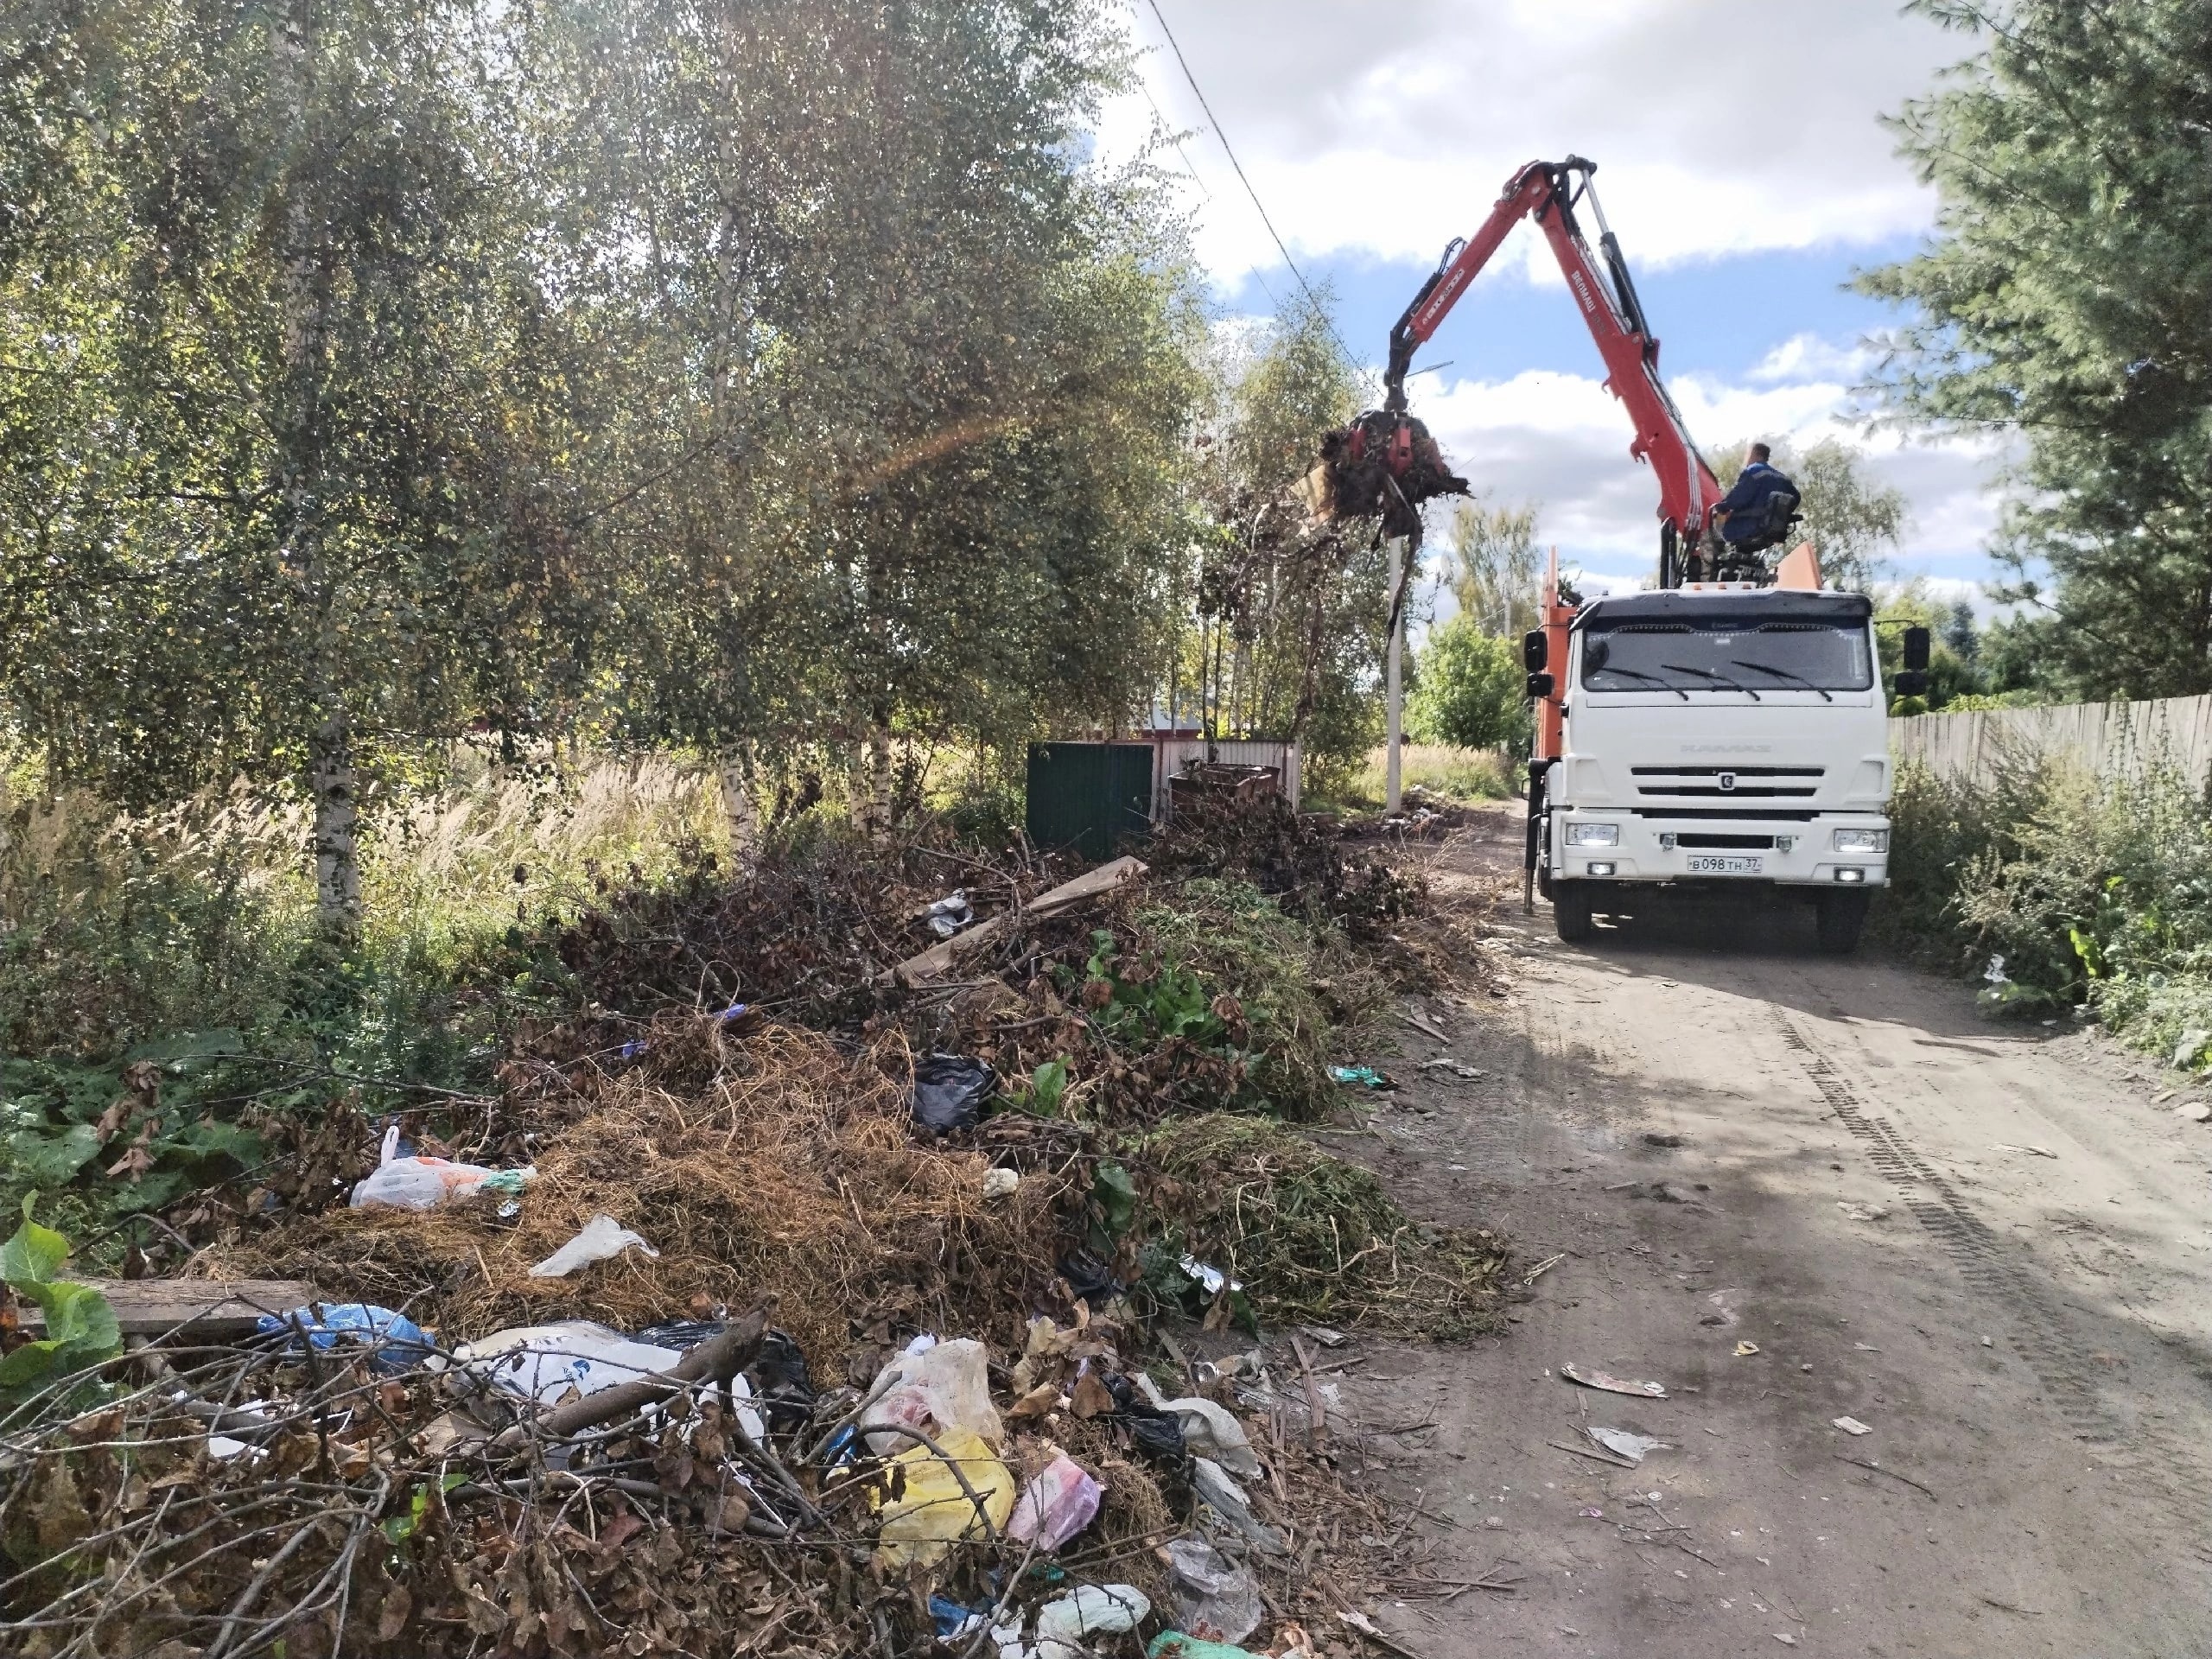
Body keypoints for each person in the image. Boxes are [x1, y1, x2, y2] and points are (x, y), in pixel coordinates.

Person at [1713, 442, 1798, 549]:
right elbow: (1796, 498)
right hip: (1774, 531)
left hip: (1750, 526)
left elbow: (1737, 499)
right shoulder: (1783, 478)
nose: (1745, 458)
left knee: (1715, 523)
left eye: (1747, 454)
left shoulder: (1753, 470)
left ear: (1754, 453)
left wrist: (1721, 507)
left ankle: (1715, 557)